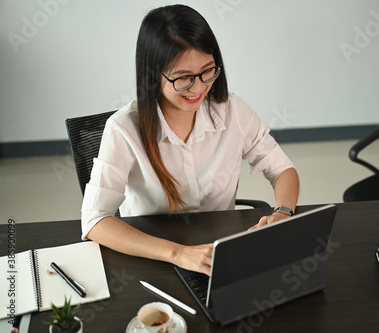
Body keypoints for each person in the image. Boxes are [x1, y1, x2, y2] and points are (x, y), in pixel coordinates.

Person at [81, 4, 299, 276]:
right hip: (153, 258)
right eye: (183, 78)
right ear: (153, 76)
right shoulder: (123, 128)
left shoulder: (233, 111)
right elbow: (95, 221)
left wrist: (283, 212)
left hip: (220, 253)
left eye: (207, 71)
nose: (198, 88)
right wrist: (179, 253)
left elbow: (282, 169)